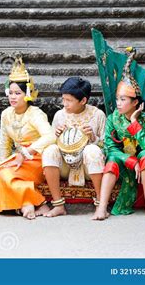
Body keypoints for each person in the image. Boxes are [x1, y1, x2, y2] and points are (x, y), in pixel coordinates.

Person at [93, 48, 145, 220]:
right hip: (123, 161)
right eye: (117, 99)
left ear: (135, 102)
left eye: (123, 100)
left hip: (144, 162)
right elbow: (110, 147)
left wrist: (135, 122)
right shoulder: (113, 118)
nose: (118, 104)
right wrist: (128, 159)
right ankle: (102, 207)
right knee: (112, 160)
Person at [0, 57, 56, 219]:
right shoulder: (6, 114)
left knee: (4, 176)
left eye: (18, 93)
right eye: (10, 93)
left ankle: (29, 204)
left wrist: (26, 152)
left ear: (27, 94)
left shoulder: (35, 113)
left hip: (36, 159)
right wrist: (2, 163)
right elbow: (5, 143)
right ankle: (30, 204)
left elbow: (50, 136)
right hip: (18, 158)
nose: (13, 97)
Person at [42, 77, 106, 217]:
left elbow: (108, 146)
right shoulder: (60, 115)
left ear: (83, 100)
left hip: (88, 167)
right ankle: (58, 205)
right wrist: (56, 136)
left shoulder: (98, 115)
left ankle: (101, 204)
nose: (64, 104)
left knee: (92, 150)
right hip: (66, 166)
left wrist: (94, 138)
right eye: (63, 99)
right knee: (49, 151)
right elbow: (51, 142)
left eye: (69, 100)